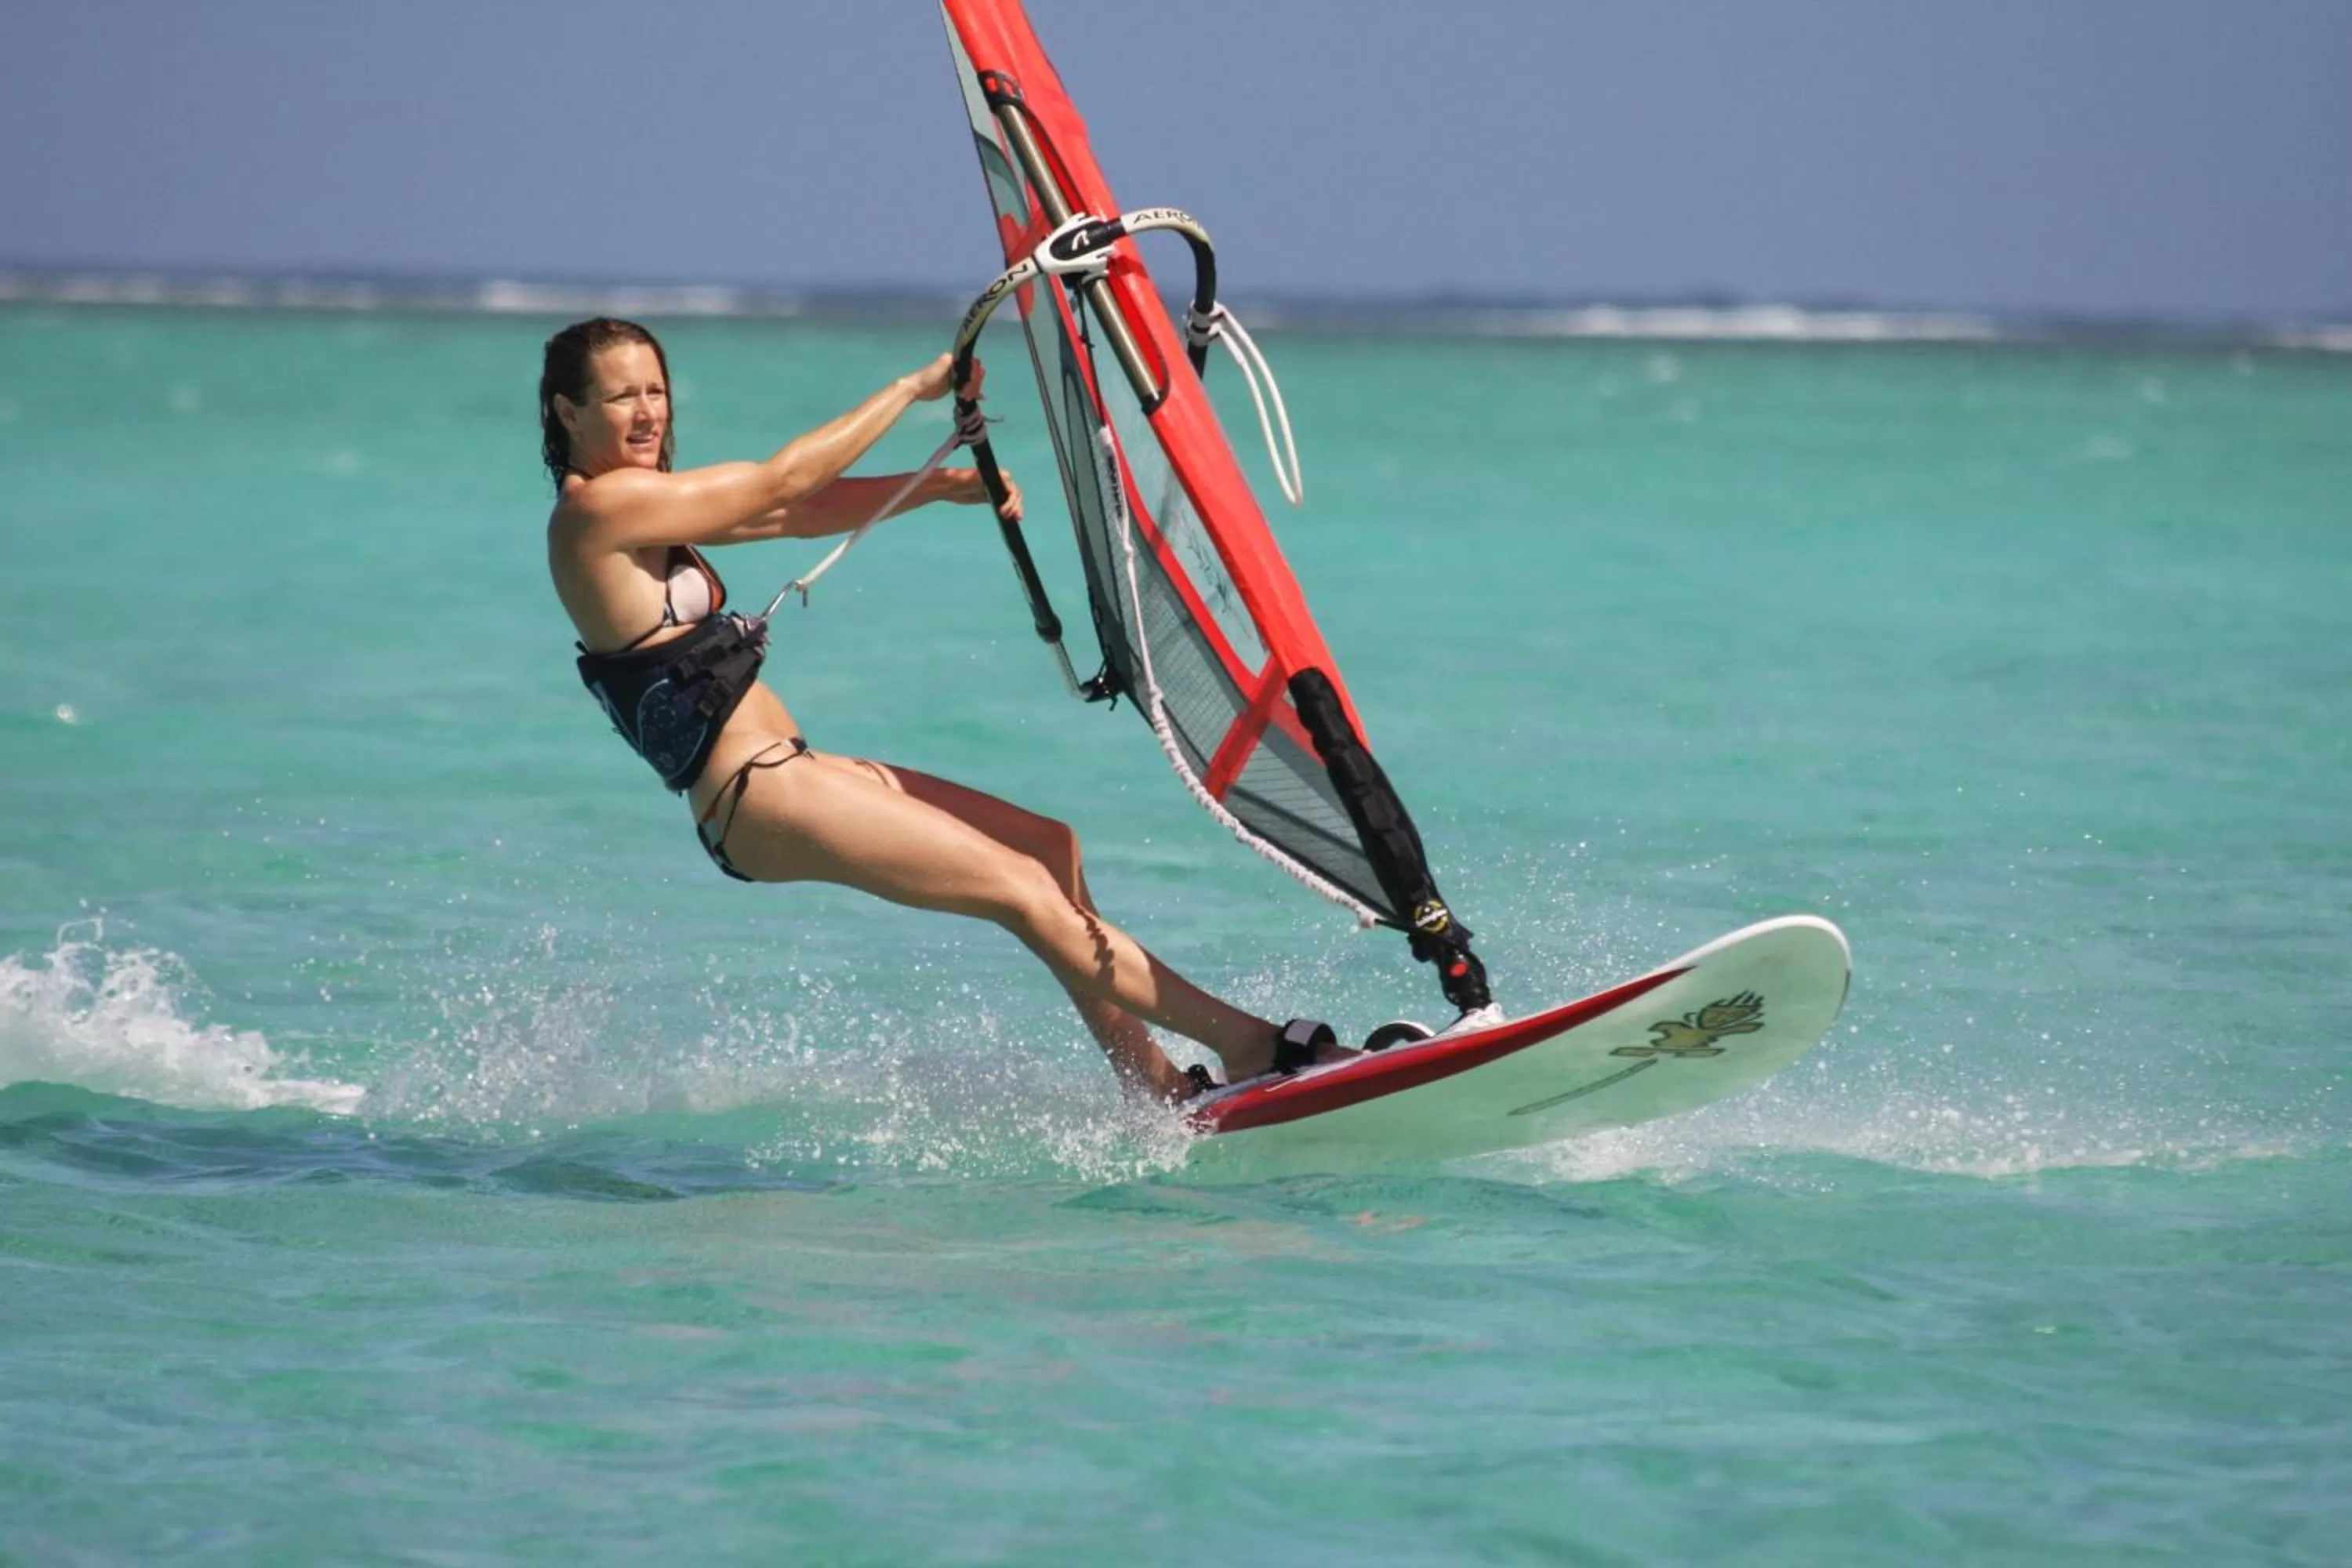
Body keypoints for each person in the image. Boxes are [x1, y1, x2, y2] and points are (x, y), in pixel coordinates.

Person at [539, 317, 1349, 1102]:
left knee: (1049, 847)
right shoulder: (593, 515)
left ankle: (1153, 1083)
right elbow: (782, 480)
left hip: (790, 771)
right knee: (1023, 889)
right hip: (751, 793)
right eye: (620, 397)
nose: (647, 411)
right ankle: (1247, 1042)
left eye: (656, 390)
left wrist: (938, 486)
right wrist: (912, 390)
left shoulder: (644, 507)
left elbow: (789, 515)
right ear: (567, 412)